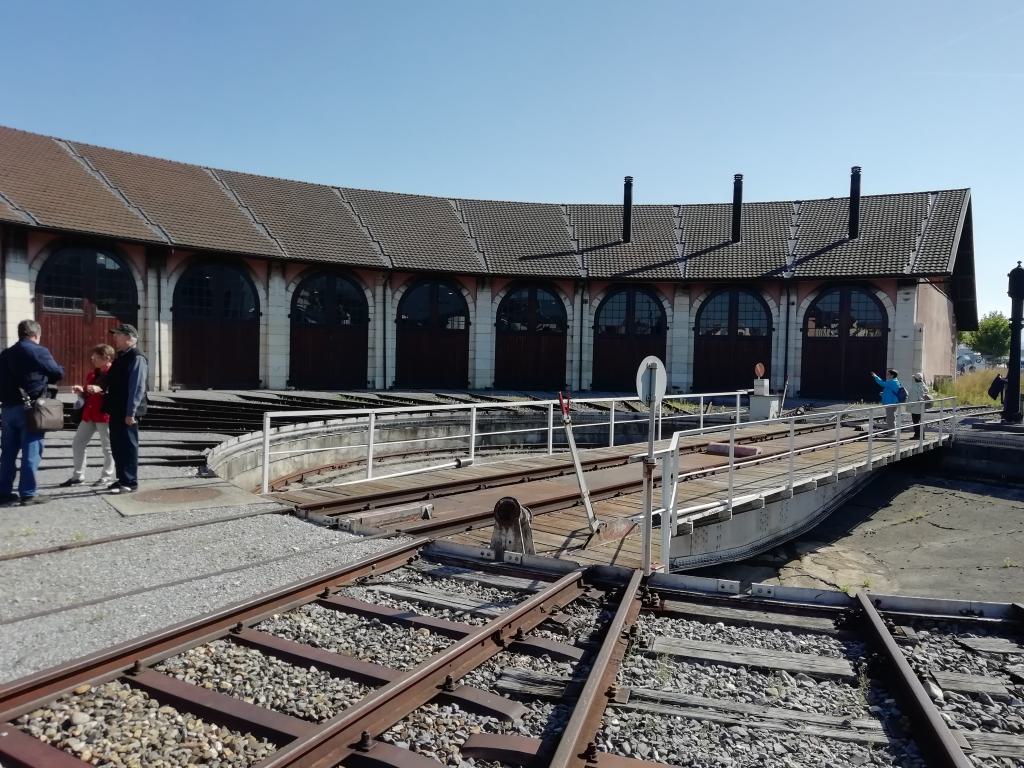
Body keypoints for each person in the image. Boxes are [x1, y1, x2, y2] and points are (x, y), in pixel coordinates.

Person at [0, 320, 64, 505]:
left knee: (8, 453)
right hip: (30, 410)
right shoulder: (39, 351)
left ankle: (3, 492)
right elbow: (56, 373)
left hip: (8, 408)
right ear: (36, 335)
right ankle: (28, 493)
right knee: (31, 450)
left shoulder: (5, 354)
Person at [60, 344, 116, 488]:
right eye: (93, 356)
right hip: (89, 414)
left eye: (96, 357)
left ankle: (107, 476)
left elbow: (116, 394)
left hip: (104, 415)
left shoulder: (114, 373)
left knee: (108, 448)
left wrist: (101, 391)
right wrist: (81, 391)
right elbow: (88, 394)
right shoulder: (93, 374)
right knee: (78, 443)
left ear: (107, 358)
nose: (93, 359)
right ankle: (78, 476)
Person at [102, 324, 148, 494]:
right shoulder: (121, 357)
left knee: (128, 446)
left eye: (118, 335)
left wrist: (131, 412)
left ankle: (130, 482)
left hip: (127, 411)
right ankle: (122, 479)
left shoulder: (137, 358)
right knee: (117, 445)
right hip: (117, 408)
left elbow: (137, 388)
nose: (115, 338)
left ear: (129, 338)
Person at [871, 368, 902, 436]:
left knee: (890, 418)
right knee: (891, 417)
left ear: (892, 375)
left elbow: (882, 383)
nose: (887, 375)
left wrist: (875, 376)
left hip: (891, 403)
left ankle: (892, 433)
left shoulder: (892, 382)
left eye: (888, 374)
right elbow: (890, 391)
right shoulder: (895, 381)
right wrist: (883, 394)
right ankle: (891, 432)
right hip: (892, 402)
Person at [907, 372, 932, 440]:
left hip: (915, 407)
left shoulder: (914, 387)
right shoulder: (924, 386)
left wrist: (908, 404)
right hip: (921, 406)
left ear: (915, 379)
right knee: (921, 422)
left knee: (916, 422)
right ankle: (922, 435)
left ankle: (917, 435)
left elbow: (912, 399)